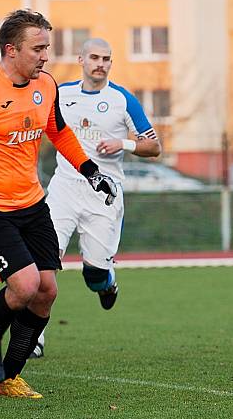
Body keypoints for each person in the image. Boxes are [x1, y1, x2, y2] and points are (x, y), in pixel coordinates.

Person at [0, 9, 117, 399]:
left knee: (47, 292)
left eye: (47, 47)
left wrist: (90, 170)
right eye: (38, 48)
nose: (46, 56)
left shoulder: (46, 84)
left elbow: (57, 131)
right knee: (25, 285)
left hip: (32, 202)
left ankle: (7, 378)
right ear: (11, 50)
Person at [30, 37, 161, 359]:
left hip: (104, 194)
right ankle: (33, 338)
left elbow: (154, 146)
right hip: (64, 189)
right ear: (81, 59)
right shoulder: (61, 94)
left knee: (94, 275)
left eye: (106, 58)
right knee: (41, 267)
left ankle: (107, 282)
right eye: (95, 57)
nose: (100, 63)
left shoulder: (122, 100)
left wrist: (124, 144)